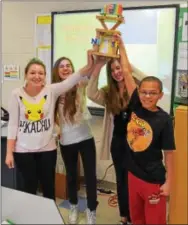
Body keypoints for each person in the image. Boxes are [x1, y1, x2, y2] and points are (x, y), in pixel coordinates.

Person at [5, 51, 94, 201]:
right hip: (23, 150)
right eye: (32, 72)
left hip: (47, 149)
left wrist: (91, 64)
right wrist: (9, 152)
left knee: (48, 188)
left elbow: (71, 80)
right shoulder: (16, 94)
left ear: (45, 76)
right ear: (26, 75)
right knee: (29, 188)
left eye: (41, 73)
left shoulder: (51, 91)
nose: (37, 76)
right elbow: (12, 125)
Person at [87, 35, 146, 225]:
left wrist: (123, 54)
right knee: (121, 180)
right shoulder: (107, 92)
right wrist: (98, 65)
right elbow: (90, 93)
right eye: (113, 70)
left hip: (138, 142)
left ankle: (137, 216)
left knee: (136, 180)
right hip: (119, 143)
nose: (117, 72)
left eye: (119, 68)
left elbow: (145, 78)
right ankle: (124, 217)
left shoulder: (137, 86)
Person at [118, 35, 175, 224]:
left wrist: (168, 182)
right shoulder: (136, 105)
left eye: (152, 93)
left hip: (153, 180)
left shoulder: (164, 119)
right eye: (143, 92)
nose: (147, 96)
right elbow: (126, 71)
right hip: (133, 175)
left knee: (155, 221)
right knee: (136, 219)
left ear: (160, 95)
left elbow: (169, 153)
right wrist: (120, 44)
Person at [52, 57, 98, 224]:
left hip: (86, 137)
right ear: (57, 71)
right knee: (71, 176)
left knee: (90, 176)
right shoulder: (54, 90)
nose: (65, 68)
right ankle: (73, 206)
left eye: (68, 65)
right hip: (67, 140)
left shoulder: (80, 83)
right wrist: (56, 130)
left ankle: (91, 210)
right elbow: (51, 116)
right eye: (62, 66)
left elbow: (91, 73)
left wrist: (94, 59)